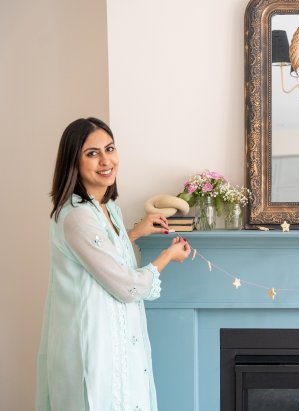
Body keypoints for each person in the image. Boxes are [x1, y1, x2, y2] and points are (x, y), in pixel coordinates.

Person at [36, 117, 191, 410]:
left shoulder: (108, 209)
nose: (106, 160)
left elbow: (101, 256)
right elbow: (127, 286)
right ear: (74, 162)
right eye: (92, 153)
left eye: (110, 148)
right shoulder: (77, 216)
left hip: (114, 337)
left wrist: (133, 232)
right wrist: (168, 256)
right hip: (92, 343)